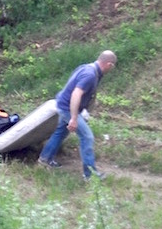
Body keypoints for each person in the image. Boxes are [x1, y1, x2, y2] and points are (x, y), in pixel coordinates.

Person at [38, 50, 117, 180]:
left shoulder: (87, 68)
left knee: (60, 133)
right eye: (112, 66)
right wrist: (74, 118)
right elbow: (76, 94)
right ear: (109, 64)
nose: (112, 69)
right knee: (87, 137)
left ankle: (45, 159)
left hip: (63, 103)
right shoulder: (90, 75)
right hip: (67, 108)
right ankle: (90, 175)